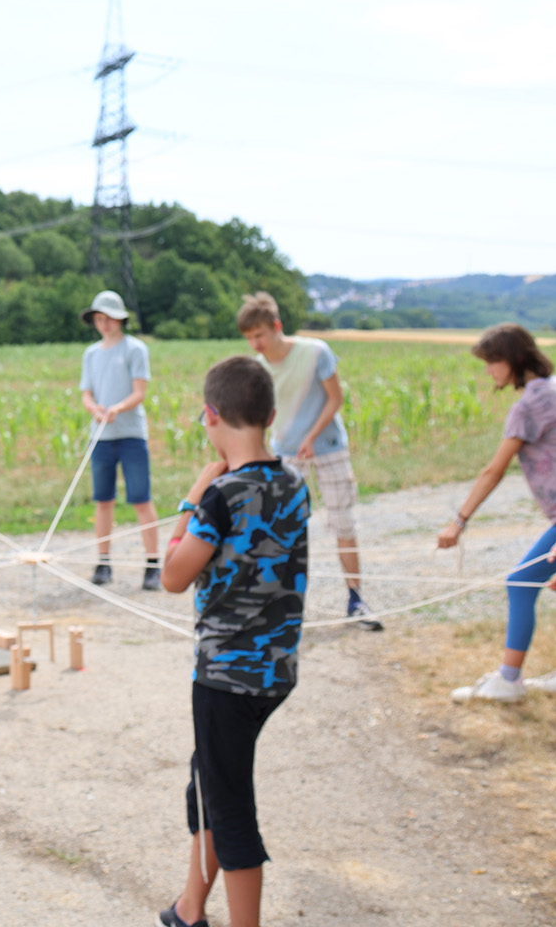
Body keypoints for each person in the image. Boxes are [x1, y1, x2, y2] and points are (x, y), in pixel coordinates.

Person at [157, 356, 307, 927]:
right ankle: (189, 907)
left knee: (230, 810)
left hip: (227, 679)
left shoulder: (221, 495)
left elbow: (173, 575)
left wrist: (194, 496)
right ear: (270, 415)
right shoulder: (295, 484)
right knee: (208, 786)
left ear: (210, 415)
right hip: (275, 673)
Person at [237, 291, 382, 630]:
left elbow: (336, 398)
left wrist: (312, 436)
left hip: (328, 447)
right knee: (281, 527)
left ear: (277, 326)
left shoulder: (316, 352)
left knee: (342, 523)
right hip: (286, 452)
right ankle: (279, 606)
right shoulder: (259, 369)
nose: (255, 344)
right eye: (249, 338)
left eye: (259, 335)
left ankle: (356, 600)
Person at [437, 323, 556, 703]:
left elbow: (493, 470)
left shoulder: (527, 407)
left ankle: (509, 681)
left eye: (492, 361)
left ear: (514, 359)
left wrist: (458, 521)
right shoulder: (554, 389)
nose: (488, 370)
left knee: (520, 582)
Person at [79, 290, 161, 589]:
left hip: (131, 435)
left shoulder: (135, 349)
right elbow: (86, 393)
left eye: (109, 318)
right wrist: (95, 409)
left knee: (141, 498)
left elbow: (139, 393)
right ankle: (103, 563)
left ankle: (152, 564)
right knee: (103, 501)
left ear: (120, 319)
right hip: (101, 437)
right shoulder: (90, 354)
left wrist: (117, 408)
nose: (104, 324)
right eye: (99, 319)